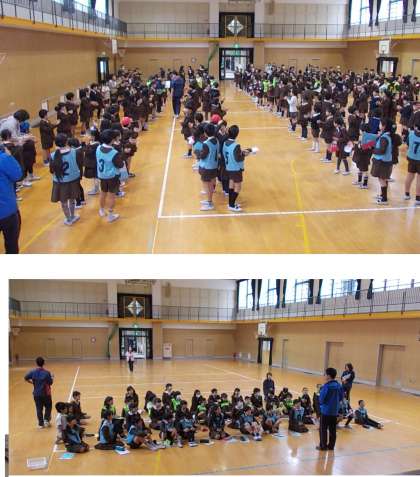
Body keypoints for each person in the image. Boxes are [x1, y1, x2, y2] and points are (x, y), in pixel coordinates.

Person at [0, 143, 22, 253]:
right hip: (6, 210)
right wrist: (8, 155)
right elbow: (17, 175)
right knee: (11, 245)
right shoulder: (3, 158)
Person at [317, 367, 343, 451]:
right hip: (334, 411)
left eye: (325, 374)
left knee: (323, 429)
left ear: (328, 376)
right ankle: (331, 446)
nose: (324, 376)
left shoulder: (326, 386)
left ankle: (323, 446)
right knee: (332, 429)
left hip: (325, 411)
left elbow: (321, 400)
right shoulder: (339, 385)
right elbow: (341, 397)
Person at [24, 357, 54, 428]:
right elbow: (50, 383)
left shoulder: (32, 372)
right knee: (48, 407)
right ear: (44, 363)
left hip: (36, 394)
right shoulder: (47, 373)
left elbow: (25, 378)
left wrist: (32, 382)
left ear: (36, 363)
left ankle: (40, 424)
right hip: (46, 393)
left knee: (39, 408)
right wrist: (52, 377)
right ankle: (46, 420)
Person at [404, 121, 420, 205]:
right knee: (419, 179)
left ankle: (406, 194)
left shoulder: (411, 133)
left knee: (409, 175)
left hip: (411, 158)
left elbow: (407, 146)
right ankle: (418, 198)